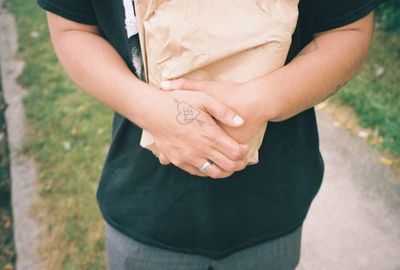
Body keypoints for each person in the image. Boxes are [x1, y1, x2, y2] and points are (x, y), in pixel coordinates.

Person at [37, 0, 381, 269]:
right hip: (143, 210)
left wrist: (258, 102)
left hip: (271, 212)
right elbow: (73, 27)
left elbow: (348, 31)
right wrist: (150, 110)